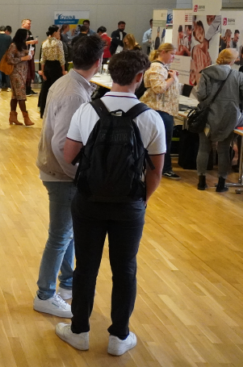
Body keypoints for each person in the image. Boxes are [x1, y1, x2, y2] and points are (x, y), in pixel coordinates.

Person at [57, 50, 165, 356]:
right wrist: (141, 200)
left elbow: (68, 155)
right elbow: (155, 170)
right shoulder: (150, 117)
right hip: (129, 205)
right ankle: (119, 336)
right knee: (125, 269)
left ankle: (79, 331)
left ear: (109, 72)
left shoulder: (87, 111)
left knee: (86, 267)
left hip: (89, 200)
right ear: (139, 77)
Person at [34, 35, 106, 318]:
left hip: (58, 171)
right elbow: (63, 144)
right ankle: (45, 294)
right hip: (61, 175)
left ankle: (66, 283)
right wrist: (80, 177)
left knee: (69, 233)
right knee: (60, 235)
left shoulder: (67, 83)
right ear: (99, 62)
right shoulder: (74, 92)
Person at [196, 49, 243, 191]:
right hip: (229, 118)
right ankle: (221, 184)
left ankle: (201, 182)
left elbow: (200, 95)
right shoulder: (238, 76)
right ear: (232, 60)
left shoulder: (206, 73)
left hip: (208, 117)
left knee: (203, 148)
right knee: (223, 149)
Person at [140, 43, 181, 180]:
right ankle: (164, 168)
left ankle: (161, 167)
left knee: (163, 141)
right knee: (163, 141)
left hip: (164, 109)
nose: (173, 57)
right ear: (163, 52)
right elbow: (158, 88)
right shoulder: (156, 67)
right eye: (172, 54)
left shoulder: (162, 67)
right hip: (158, 109)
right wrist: (172, 78)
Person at [5, 28, 34, 126]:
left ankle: (13, 116)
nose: (27, 36)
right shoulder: (13, 45)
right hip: (16, 73)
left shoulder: (23, 45)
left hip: (23, 72)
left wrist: (29, 55)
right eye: (26, 34)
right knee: (21, 95)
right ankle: (26, 118)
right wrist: (23, 58)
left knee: (15, 96)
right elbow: (9, 59)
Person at [38, 25, 67, 117]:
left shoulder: (45, 43)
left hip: (47, 67)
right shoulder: (58, 43)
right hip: (56, 67)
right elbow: (61, 58)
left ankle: (43, 111)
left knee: (45, 89)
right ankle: (55, 112)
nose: (59, 33)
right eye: (58, 31)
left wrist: (42, 71)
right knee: (56, 90)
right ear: (55, 32)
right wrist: (63, 70)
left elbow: (42, 58)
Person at [21, 19, 40, 96]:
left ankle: (29, 88)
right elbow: (19, 43)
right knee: (26, 73)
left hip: (30, 55)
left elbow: (31, 43)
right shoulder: (21, 32)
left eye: (30, 24)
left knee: (31, 72)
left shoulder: (29, 32)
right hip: (24, 56)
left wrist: (33, 46)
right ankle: (24, 90)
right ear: (23, 24)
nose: (30, 25)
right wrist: (30, 42)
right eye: (28, 24)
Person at [190, 20, 212, 86]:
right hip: (199, 84)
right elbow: (198, 70)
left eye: (200, 30)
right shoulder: (196, 49)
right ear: (195, 37)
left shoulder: (208, 54)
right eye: (196, 33)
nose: (199, 34)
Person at [0, 25, 13, 92]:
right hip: (6, 57)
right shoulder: (9, 37)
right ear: (5, 31)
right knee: (6, 72)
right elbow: (11, 48)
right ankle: (8, 87)